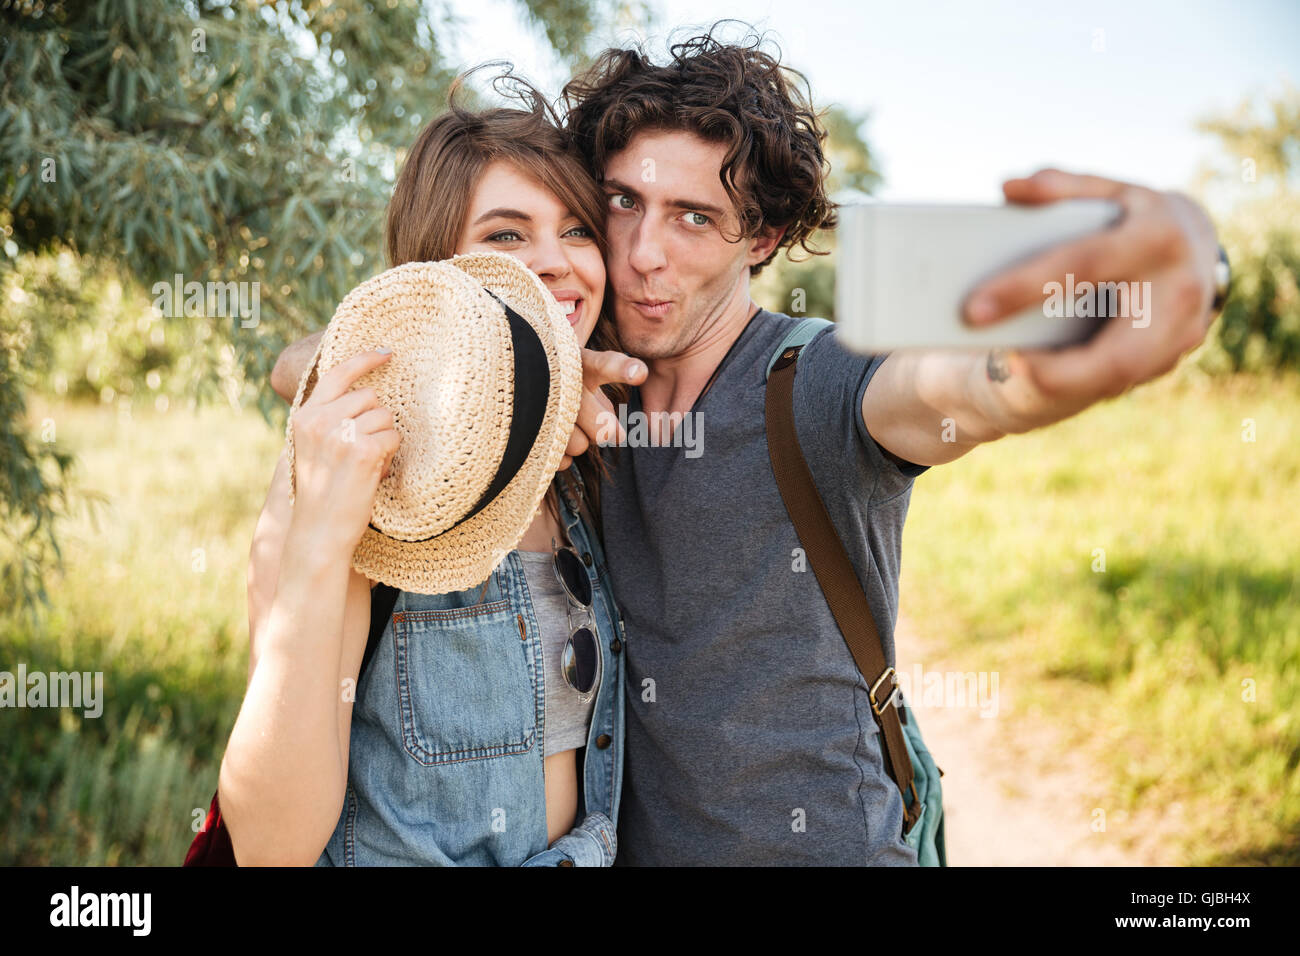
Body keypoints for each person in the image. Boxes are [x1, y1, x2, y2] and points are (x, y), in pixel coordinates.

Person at [273, 26, 1224, 867]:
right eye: (622, 202)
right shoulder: (570, 399)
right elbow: (311, 360)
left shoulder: (813, 385)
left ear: (760, 238)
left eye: (695, 218)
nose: (647, 253)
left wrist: (1046, 359)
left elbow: (944, 389)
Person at [220, 75, 643, 866]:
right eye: (507, 236)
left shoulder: (575, 457)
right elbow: (270, 846)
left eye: (578, 230)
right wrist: (318, 542)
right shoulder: (366, 481)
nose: (556, 264)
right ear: (432, 271)